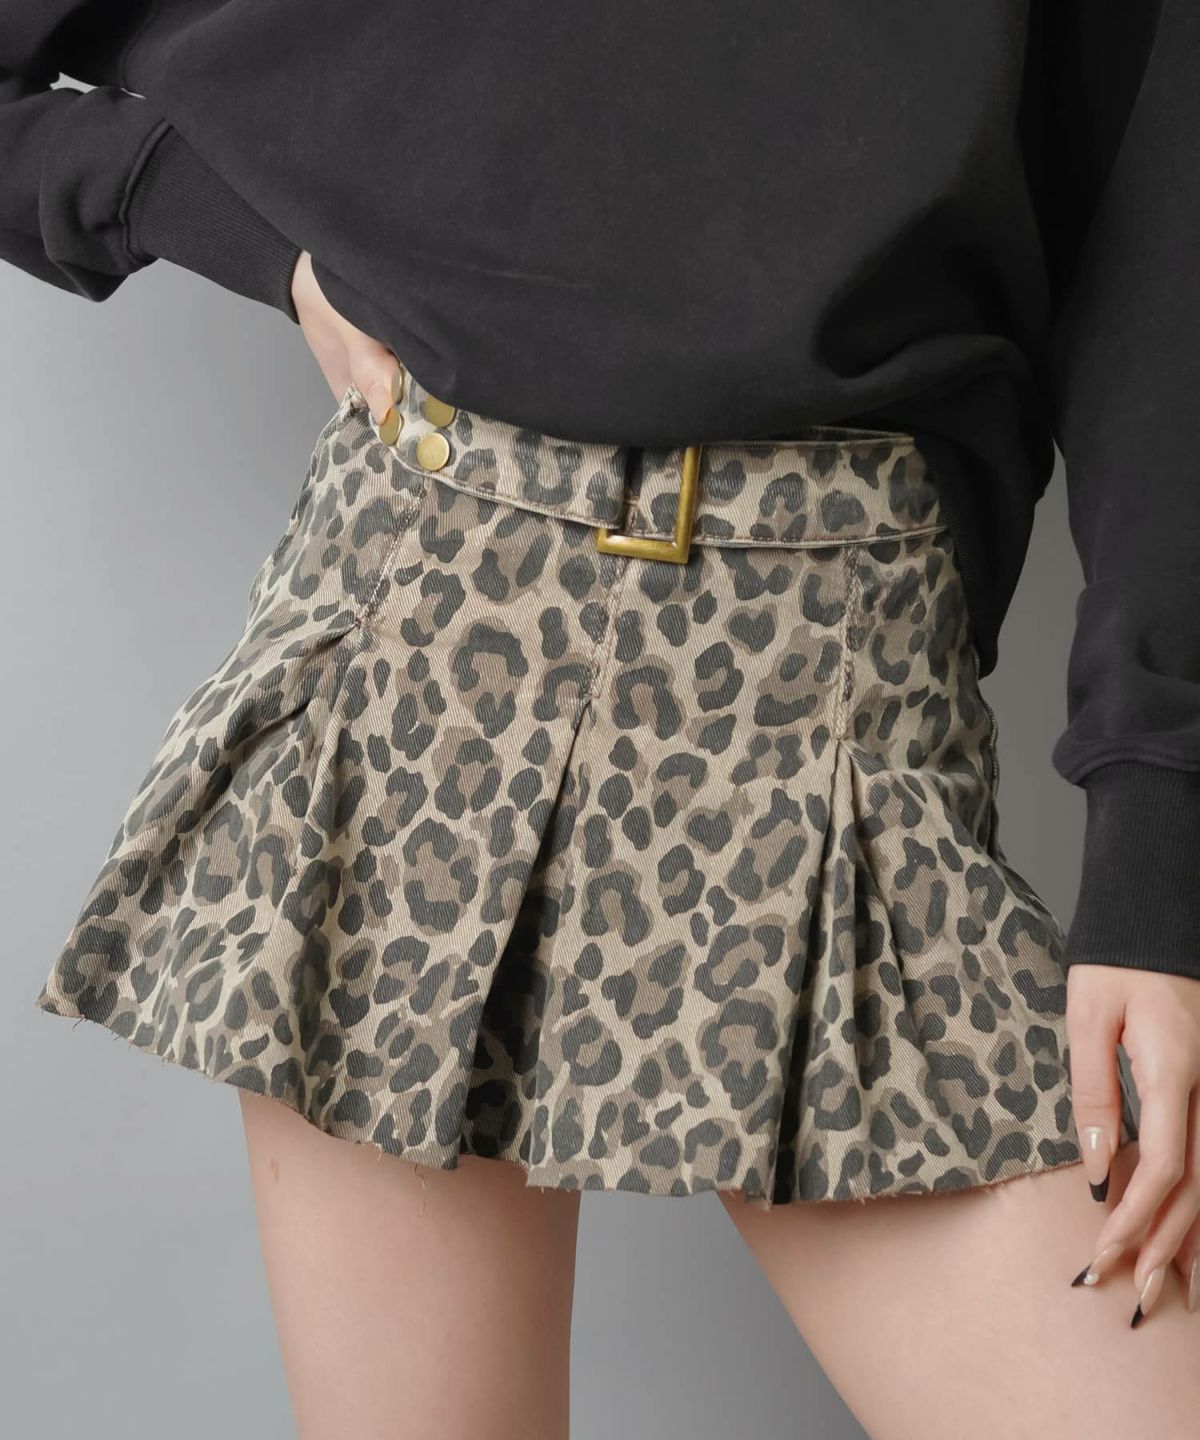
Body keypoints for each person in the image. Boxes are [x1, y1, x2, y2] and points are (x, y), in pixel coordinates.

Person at [7, 2, 1200, 1436]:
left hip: (830, 687)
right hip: (431, 638)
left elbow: (1165, 237)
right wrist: (191, 206)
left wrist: (1161, 840)